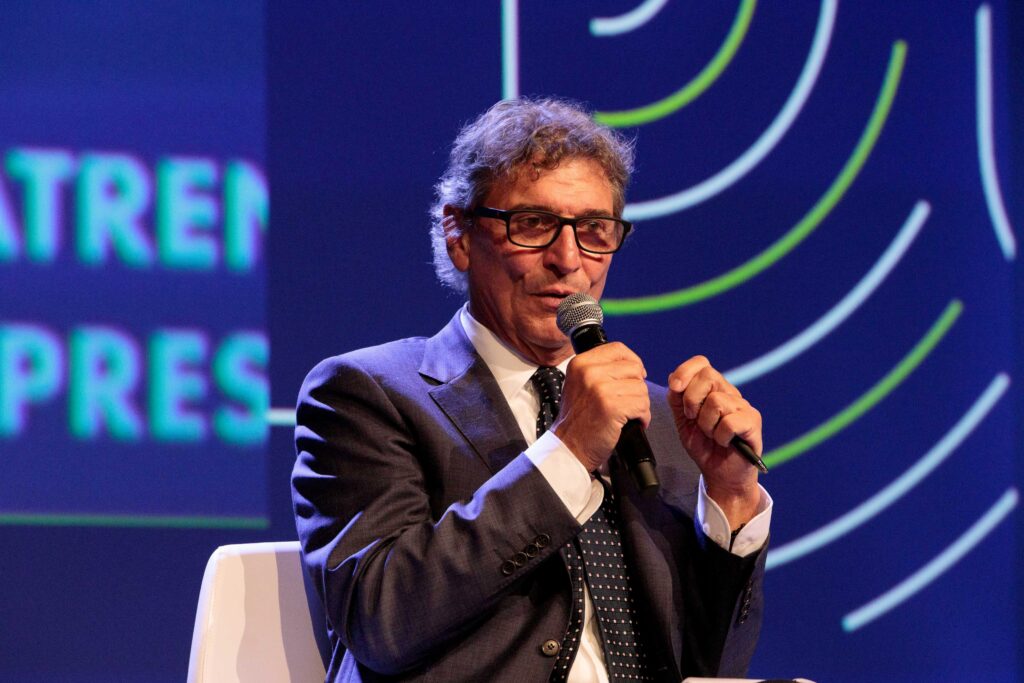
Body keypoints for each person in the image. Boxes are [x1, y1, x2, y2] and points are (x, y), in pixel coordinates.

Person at [292, 97, 771, 683]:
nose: (568, 260)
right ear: (459, 235)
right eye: (534, 224)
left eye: (593, 230)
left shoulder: (660, 419)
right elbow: (381, 621)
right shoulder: (367, 394)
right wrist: (568, 451)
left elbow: (714, 666)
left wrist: (731, 499)